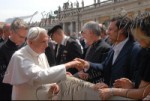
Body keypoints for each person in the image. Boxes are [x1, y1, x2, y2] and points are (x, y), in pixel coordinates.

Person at [2, 27, 83, 100]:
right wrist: (68, 65)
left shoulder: (41, 53)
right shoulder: (19, 57)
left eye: (47, 41)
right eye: (43, 42)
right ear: (30, 42)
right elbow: (39, 75)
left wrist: (53, 84)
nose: (47, 45)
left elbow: (47, 70)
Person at [75, 16, 141, 87]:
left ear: (121, 30)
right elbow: (105, 67)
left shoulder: (135, 49)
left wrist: (111, 89)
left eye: (110, 29)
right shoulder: (113, 48)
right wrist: (88, 64)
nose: (107, 32)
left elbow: (137, 82)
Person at [98, 11, 150, 100]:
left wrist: (112, 91)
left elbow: (143, 93)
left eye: (140, 37)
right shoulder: (146, 51)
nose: (137, 40)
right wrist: (132, 86)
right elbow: (143, 87)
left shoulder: (138, 50)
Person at [0, 18, 29, 100]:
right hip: (8, 95)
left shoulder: (25, 46)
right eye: (21, 37)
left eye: (25, 37)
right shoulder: (2, 49)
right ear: (11, 32)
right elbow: (3, 77)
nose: (23, 40)